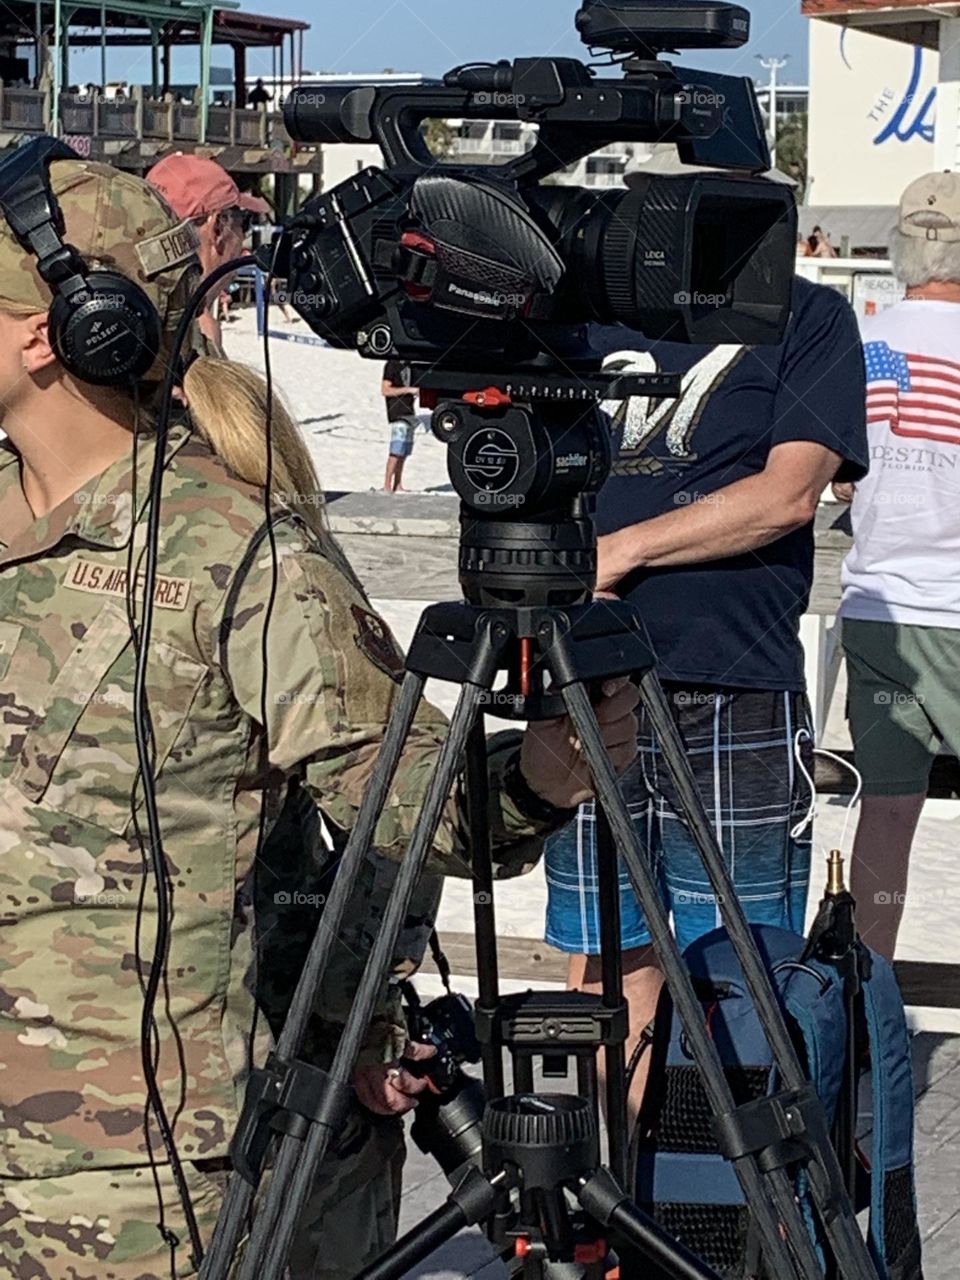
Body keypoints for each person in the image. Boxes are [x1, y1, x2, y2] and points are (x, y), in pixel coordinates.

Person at [0, 156, 639, 1279]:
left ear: (54, 330)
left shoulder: (238, 554)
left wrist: (543, 772)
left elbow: (399, 817)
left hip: (131, 1188)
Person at [544, 275, 869, 1118]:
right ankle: (604, 1200)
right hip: (590, 679)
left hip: (734, 683)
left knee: (739, 971)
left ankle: (718, 1219)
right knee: (601, 959)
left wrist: (615, 554)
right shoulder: (590, 306)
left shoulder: (807, 311)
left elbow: (788, 494)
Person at [838, 172, 960, 961]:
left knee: (886, 814)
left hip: (874, 603)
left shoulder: (863, 343)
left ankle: (868, 990)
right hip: (952, 609)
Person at [146, 151, 270, 353]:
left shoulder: (133, 309)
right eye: (245, 223)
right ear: (219, 227)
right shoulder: (196, 339)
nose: (243, 236)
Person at [382, 358, 420, 492]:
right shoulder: (392, 364)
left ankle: (397, 483)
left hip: (409, 412)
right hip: (398, 412)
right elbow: (385, 390)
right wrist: (407, 390)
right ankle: (387, 484)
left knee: (404, 451)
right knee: (396, 450)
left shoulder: (410, 365)